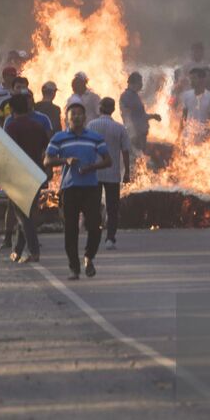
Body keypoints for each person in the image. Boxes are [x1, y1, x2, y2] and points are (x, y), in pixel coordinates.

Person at [45, 103, 111, 279]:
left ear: (85, 117)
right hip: (69, 188)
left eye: (80, 114)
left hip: (91, 187)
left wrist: (92, 167)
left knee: (95, 226)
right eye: (73, 114)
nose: (76, 117)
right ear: (67, 118)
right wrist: (65, 160)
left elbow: (108, 160)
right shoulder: (59, 138)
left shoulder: (95, 138)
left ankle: (89, 257)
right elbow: (47, 161)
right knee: (71, 229)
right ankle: (74, 267)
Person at [3, 92, 51, 263]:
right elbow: (47, 149)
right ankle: (17, 250)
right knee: (27, 212)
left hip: (19, 175)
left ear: (13, 109)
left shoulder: (12, 127)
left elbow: (9, 153)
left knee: (24, 216)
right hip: (36, 173)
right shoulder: (37, 126)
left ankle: (34, 251)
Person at [87, 96, 132, 250]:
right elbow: (125, 152)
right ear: (113, 110)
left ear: (100, 108)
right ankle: (110, 238)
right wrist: (127, 172)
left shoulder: (91, 125)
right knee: (113, 208)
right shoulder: (119, 128)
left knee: (94, 206)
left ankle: (94, 235)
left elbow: (87, 148)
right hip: (113, 173)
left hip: (95, 173)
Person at [119, 71, 160, 153]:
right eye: (140, 82)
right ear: (133, 83)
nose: (141, 84)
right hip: (136, 135)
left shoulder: (135, 96)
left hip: (140, 134)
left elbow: (140, 116)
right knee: (136, 158)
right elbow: (126, 117)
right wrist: (132, 135)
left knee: (141, 158)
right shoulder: (127, 96)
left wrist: (153, 116)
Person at [178, 67, 210, 143]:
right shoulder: (186, 95)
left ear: (202, 80)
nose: (191, 81)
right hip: (187, 136)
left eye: (194, 78)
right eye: (190, 79)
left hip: (202, 138)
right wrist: (179, 136)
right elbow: (183, 117)